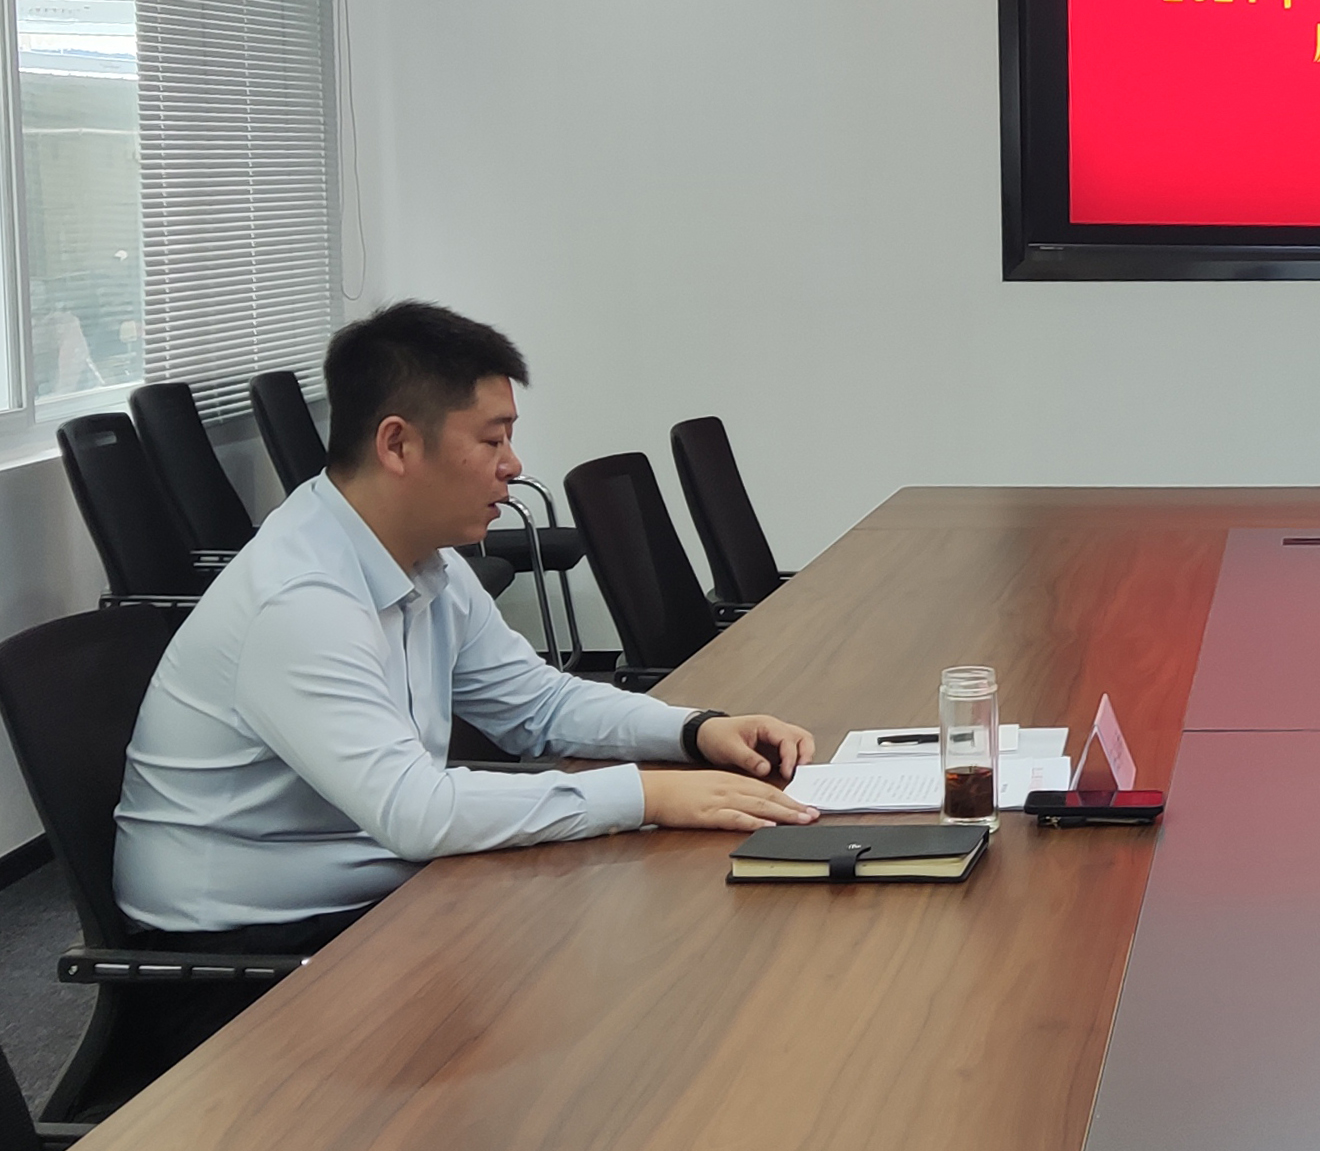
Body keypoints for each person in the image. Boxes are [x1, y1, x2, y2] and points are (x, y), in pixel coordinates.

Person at [117, 301, 820, 962]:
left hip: (366, 882)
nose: (513, 464)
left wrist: (694, 731)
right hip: (235, 951)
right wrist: (647, 796)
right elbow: (415, 813)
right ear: (397, 444)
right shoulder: (300, 600)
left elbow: (539, 705)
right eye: (492, 439)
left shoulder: (426, 560)